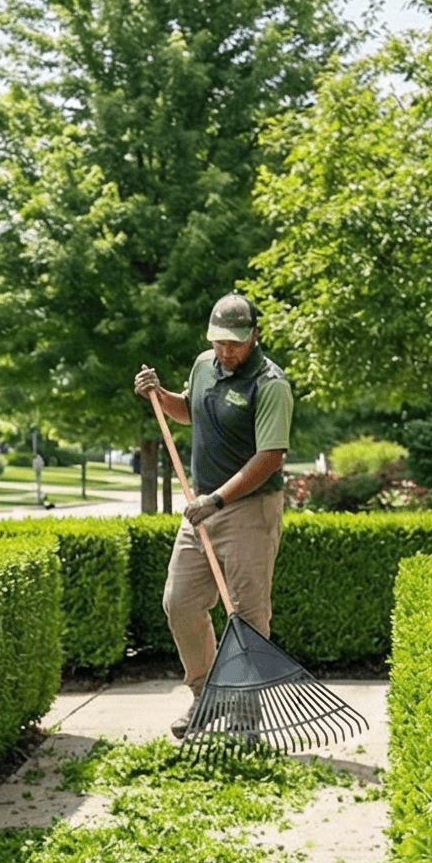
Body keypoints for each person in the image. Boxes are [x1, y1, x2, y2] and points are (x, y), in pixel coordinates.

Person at [134, 293, 293, 737]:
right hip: (202, 504)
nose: (227, 351)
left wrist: (218, 499)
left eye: (236, 343)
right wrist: (159, 395)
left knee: (246, 613)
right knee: (179, 602)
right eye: (220, 342)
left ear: (255, 336)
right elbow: (192, 411)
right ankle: (207, 695)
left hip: (249, 507)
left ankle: (245, 708)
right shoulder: (204, 364)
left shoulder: (270, 383)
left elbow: (270, 456)